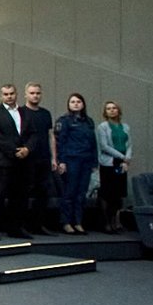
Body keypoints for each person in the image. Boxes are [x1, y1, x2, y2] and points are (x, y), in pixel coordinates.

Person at [0, 83, 32, 239]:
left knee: (20, 197)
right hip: (3, 160)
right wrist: (14, 151)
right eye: (5, 94)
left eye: (11, 93)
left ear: (16, 94)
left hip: (23, 160)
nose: (9, 96)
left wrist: (27, 149)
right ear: (1, 96)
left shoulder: (25, 112)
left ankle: (15, 228)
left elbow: (34, 134)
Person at [53, 93, 95, 234]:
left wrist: (94, 161)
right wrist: (61, 161)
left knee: (81, 193)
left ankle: (77, 222)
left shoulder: (88, 121)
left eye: (78, 101)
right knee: (69, 192)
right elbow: (60, 142)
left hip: (86, 160)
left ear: (83, 104)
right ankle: (65, 222)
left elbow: (93, 143)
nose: (76, 104)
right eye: (72, 102)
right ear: (68, 104)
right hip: (71, 159)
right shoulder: (64, 120)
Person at [19, 83, 54, 233]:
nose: (35, 95)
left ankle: (38, 225)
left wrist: (54, 158)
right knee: (24, 192)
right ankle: (23, 225)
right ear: (26, 94)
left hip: (44, 157)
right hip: (27, 158)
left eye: (38, 93)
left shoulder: (46, 114)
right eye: (32, 93)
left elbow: (51, 136)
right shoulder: (20, 112)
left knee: (43, 192)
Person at [96, 101, 130, 232]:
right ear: (105, 112)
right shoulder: (102, 127)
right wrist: (122, 157)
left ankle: (115, 221)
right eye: (108, 109)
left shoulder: (125, 127)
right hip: (108, 162)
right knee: (107, 193)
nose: (111, 110)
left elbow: (129, 144)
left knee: (118, 193)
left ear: (118, 110)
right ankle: (106, 222)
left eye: (114, 108)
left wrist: (127, 158)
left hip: (121, 163)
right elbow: (104, 146)